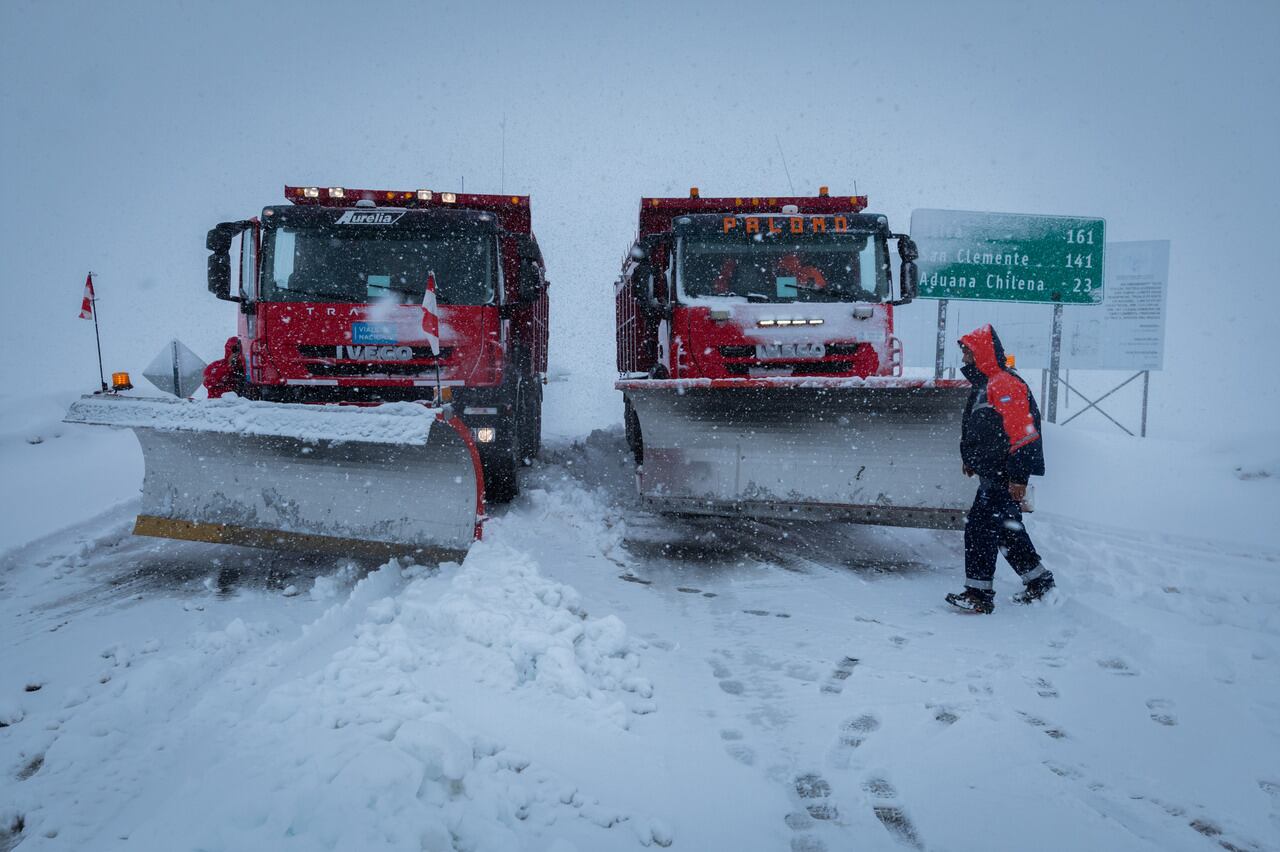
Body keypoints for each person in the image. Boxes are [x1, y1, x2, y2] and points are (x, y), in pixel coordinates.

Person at [945, 324, 1055, 614]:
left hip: (1003, 475)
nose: (964, 357)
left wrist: (1019, 477)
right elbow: (978, 428)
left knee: (980, 529)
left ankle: (979, 594)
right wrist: (971, 459)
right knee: (1007, 529)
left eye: (967, 351)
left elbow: (1024, 434)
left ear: (981, 352)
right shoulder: (985, 385)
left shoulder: (1003, 384)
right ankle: (1039, 581)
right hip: (993, 473)